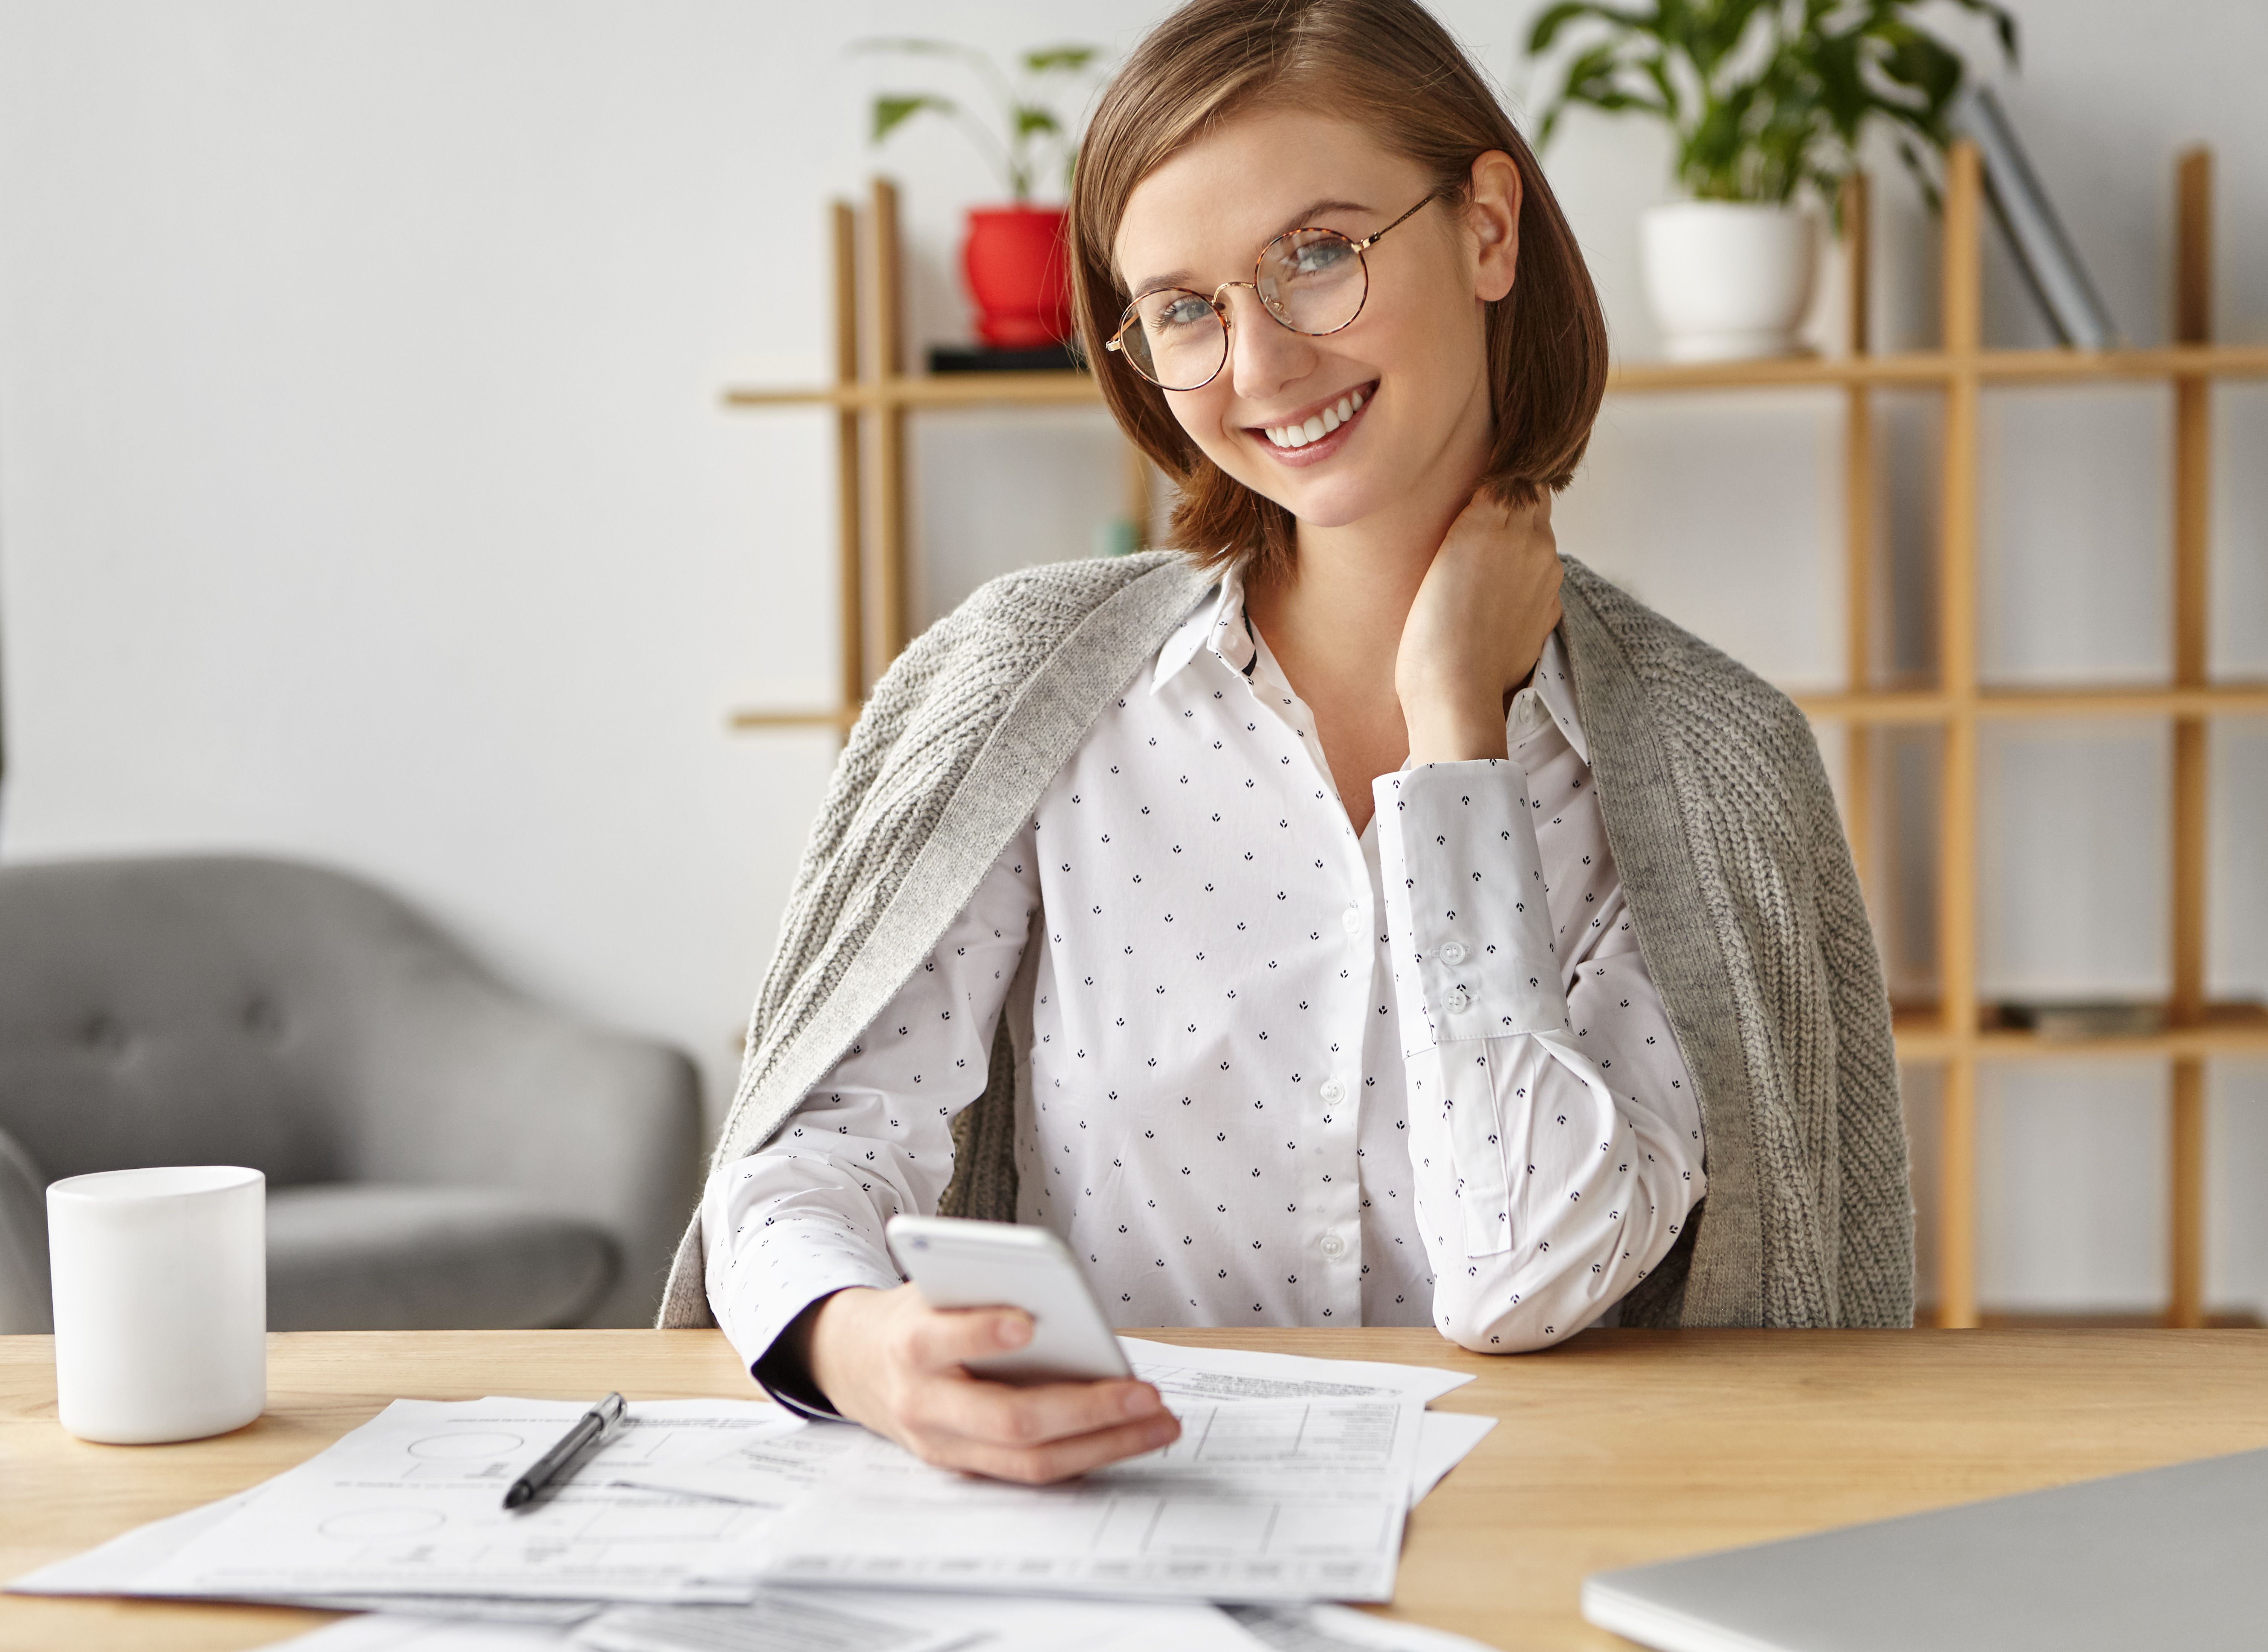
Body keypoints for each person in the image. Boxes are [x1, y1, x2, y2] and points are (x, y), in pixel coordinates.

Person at [657, 0, 1908, 1485]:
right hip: (1113, 1547)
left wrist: (1455, 738)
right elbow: (812, 1148)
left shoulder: (1703, 769)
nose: (1258, 362)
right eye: (1184, 307)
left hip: (1541, 1550)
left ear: (1488, 228)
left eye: (1317, 254)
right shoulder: (1029, 701)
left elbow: (1526, 1270)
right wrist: (865, 1346)